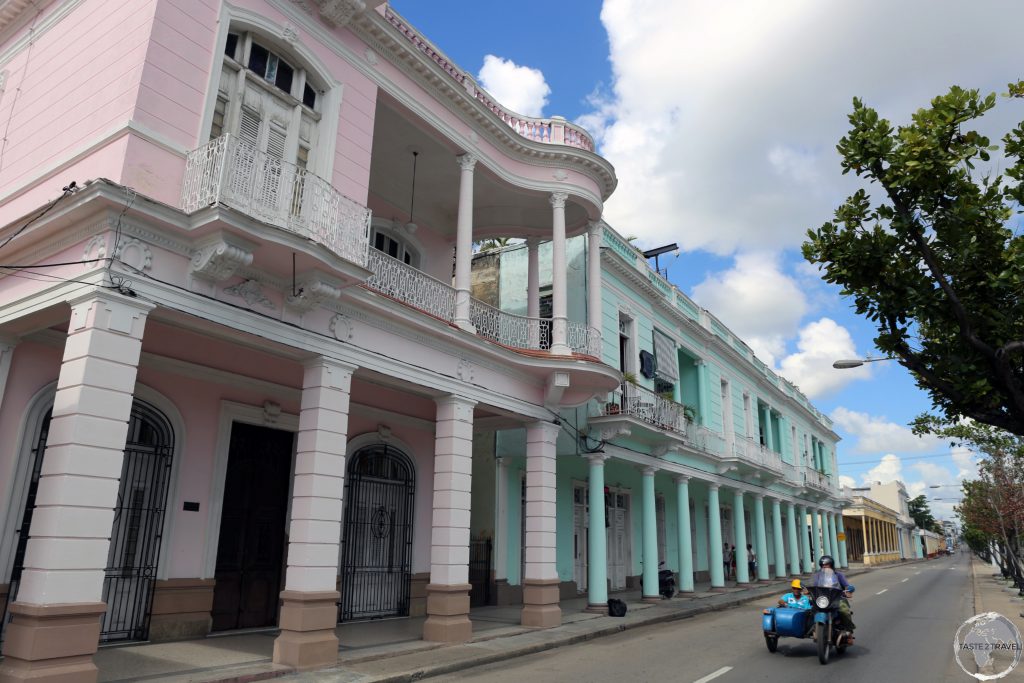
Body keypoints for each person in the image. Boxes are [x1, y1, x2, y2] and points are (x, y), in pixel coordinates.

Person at [810, 555, 856, 633]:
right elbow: (815, 586)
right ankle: (813, 628)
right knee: (811, 610)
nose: (824, 567)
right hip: (823, 599)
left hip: (837, 599)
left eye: (827, 565)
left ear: (831, 565)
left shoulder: (838, 575)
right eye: (823, 565)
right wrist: (809, 591)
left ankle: (849, 630)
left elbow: (846, 586)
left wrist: (848, 590)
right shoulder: (818, 575)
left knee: (844, 610)